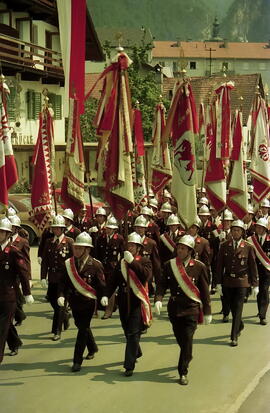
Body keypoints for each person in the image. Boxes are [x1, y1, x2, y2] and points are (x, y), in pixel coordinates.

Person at [155, 235, 212, 385]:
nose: (179, 251)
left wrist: (207, 311)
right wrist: (158, 299)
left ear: (190, 251)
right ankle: (187, 354)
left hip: (191, 310)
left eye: (183, 248)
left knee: (187, 339)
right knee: (181, 339)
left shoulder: (199, 267)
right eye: (178, 248)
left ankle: (183, 372)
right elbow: (161, 284)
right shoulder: (170, 265)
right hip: (174, 309)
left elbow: (205, 291)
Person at [103, 232, 152, 376]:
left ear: (138, 248)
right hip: (124, 299)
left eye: (133, 245)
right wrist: (106, 294)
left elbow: (145, 276)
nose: (130, 247)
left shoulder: (144, 261)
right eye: (129, 245)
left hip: (137, 300)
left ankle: (128, 365)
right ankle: (136, 350)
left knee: (133, 331)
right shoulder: (121, 262)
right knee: (126, 329)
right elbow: (113, 280)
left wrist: (133, 263)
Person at [58, 232, 106, 372]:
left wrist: (104, 296)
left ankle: (77, 361)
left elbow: (102, 284)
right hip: (74, 301)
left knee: (82, 329)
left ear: (88, 249)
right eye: (76, 247)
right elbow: (63, 282)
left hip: (88, 302)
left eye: (80, 248)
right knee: (81, 326)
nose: (76, 250)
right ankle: (92, 347)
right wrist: (61, 295)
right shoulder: (69, 264)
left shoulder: (96, 265)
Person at [216, 220, 259, 346]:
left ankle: (234, 336)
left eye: (238, 230)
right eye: (233, 230)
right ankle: (239, 325)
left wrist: (255, 284)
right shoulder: (224, 245)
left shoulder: (248, 247)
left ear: (242, 232)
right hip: (228, 281)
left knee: (238, 307)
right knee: (232, 307)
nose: (235, 232)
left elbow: (253, 266)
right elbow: (219, 266)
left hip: (242, 282)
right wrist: (218, 283)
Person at [0, 218, 34, 363]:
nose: (0, 234)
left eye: (2, 232)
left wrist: (27, 292)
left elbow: (23, 272)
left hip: (8, 296)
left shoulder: (13, 251)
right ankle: (14, 342)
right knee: (5, 325)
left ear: (8, 234)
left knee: (1, 328)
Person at [40, 215, 74, 341]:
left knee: (59, 305)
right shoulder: (49, 242)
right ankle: (65, 316)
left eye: (58, 228)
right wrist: (43, 277)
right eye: (54, 228)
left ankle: (56, 331)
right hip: (53, 277)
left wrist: (73, 277)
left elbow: (73, 261)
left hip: (64, 278)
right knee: (53, 301)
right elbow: (45, 261)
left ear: (62, 229)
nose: (56, 230)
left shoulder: (69, 242)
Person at [95, 216, 124, 319]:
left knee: (110, 288)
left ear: (114, 229)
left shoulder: (119, 239)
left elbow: (123, 254)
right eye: (107, 228)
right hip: (102, 267)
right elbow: (97, 253)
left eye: (110, 228)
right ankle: (100, 308)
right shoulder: (100, 238)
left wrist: (120, 265)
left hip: (113, 267)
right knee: (101, 287)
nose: (108, 230)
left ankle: (109, 310)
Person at [247, 218, 270, 325]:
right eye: (257, 227)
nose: (259, 229)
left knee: (264, 291)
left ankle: (262, 315)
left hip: (267, 271)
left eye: (261, 228)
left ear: (265, 229)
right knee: (258, 291)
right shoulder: (251, 240)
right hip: (255, 270)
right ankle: (260, 309)